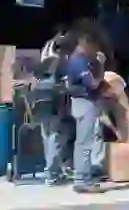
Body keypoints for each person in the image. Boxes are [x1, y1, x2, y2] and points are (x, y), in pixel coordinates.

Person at [64, 33, 105, 194]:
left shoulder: (75, 60)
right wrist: (101, 66)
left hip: (79, 103)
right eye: (93, 48)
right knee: (86, 143)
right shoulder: (79, 62)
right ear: (86, 44)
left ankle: (81, 178)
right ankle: (83, 180)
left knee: (82, 142)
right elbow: (93, 84)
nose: (94, 51)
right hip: (85, 103)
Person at [34, 31, 72, 185]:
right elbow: (65, 84)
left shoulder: (45, 61)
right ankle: (53, 174)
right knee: (56, 136)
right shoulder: (59, 63)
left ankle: (50, 169)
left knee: (47, 135)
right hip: (53, 102)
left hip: (40, 101)